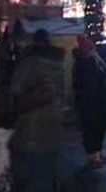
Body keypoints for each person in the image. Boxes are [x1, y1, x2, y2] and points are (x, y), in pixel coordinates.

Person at [10, 29, 65, 192]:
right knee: (49, 166)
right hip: (54, 120)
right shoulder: (59, 63)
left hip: (30, 123)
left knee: (30, 173)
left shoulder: (29, 63)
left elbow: (15, 89)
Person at [73, 36, 106, 169]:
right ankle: (93, 152)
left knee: (99, 126)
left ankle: (98, 149)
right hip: (91, 101)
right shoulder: (84, 64)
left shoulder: (95, 61)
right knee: (91, 127)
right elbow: (86, 85)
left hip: (99, 100)